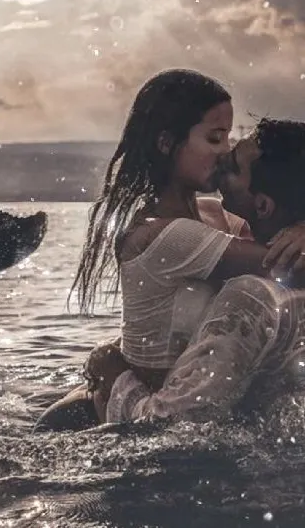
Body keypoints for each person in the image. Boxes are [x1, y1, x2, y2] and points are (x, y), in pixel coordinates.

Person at [36, 70, 305, 430]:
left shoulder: (213, 214)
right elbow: (283, 261)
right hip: (108, 419)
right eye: (214, 138)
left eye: (227, 136)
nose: (226, 151)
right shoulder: (165, 234)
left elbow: (278, 236)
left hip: (168, 412)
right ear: (166, 143)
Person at [105, 118, 305, 423]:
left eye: (234, 167)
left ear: (263, 206)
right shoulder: (284, 279)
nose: (223, 157)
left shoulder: (252, 299)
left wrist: (113, 375)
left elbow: (170, 425)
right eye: (217, 139)